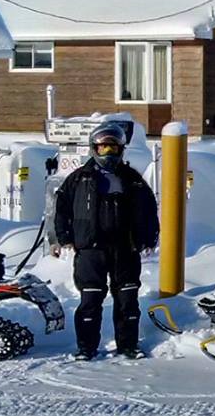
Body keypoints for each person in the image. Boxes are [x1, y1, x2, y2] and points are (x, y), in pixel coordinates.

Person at [52, 123, 160, 359]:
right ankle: (86, 348)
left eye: (112, 148)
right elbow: (60, 209)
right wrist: (63, 238)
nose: (108, 153)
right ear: (94, 149)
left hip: (125, 249)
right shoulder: (79, 179)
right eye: (103, 148)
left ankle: (128, 345)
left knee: (127, 300)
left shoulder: (132, 179)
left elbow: (149, 208)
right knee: (90, 300)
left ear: (121, 149)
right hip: (91, 250)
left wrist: (149, 236)